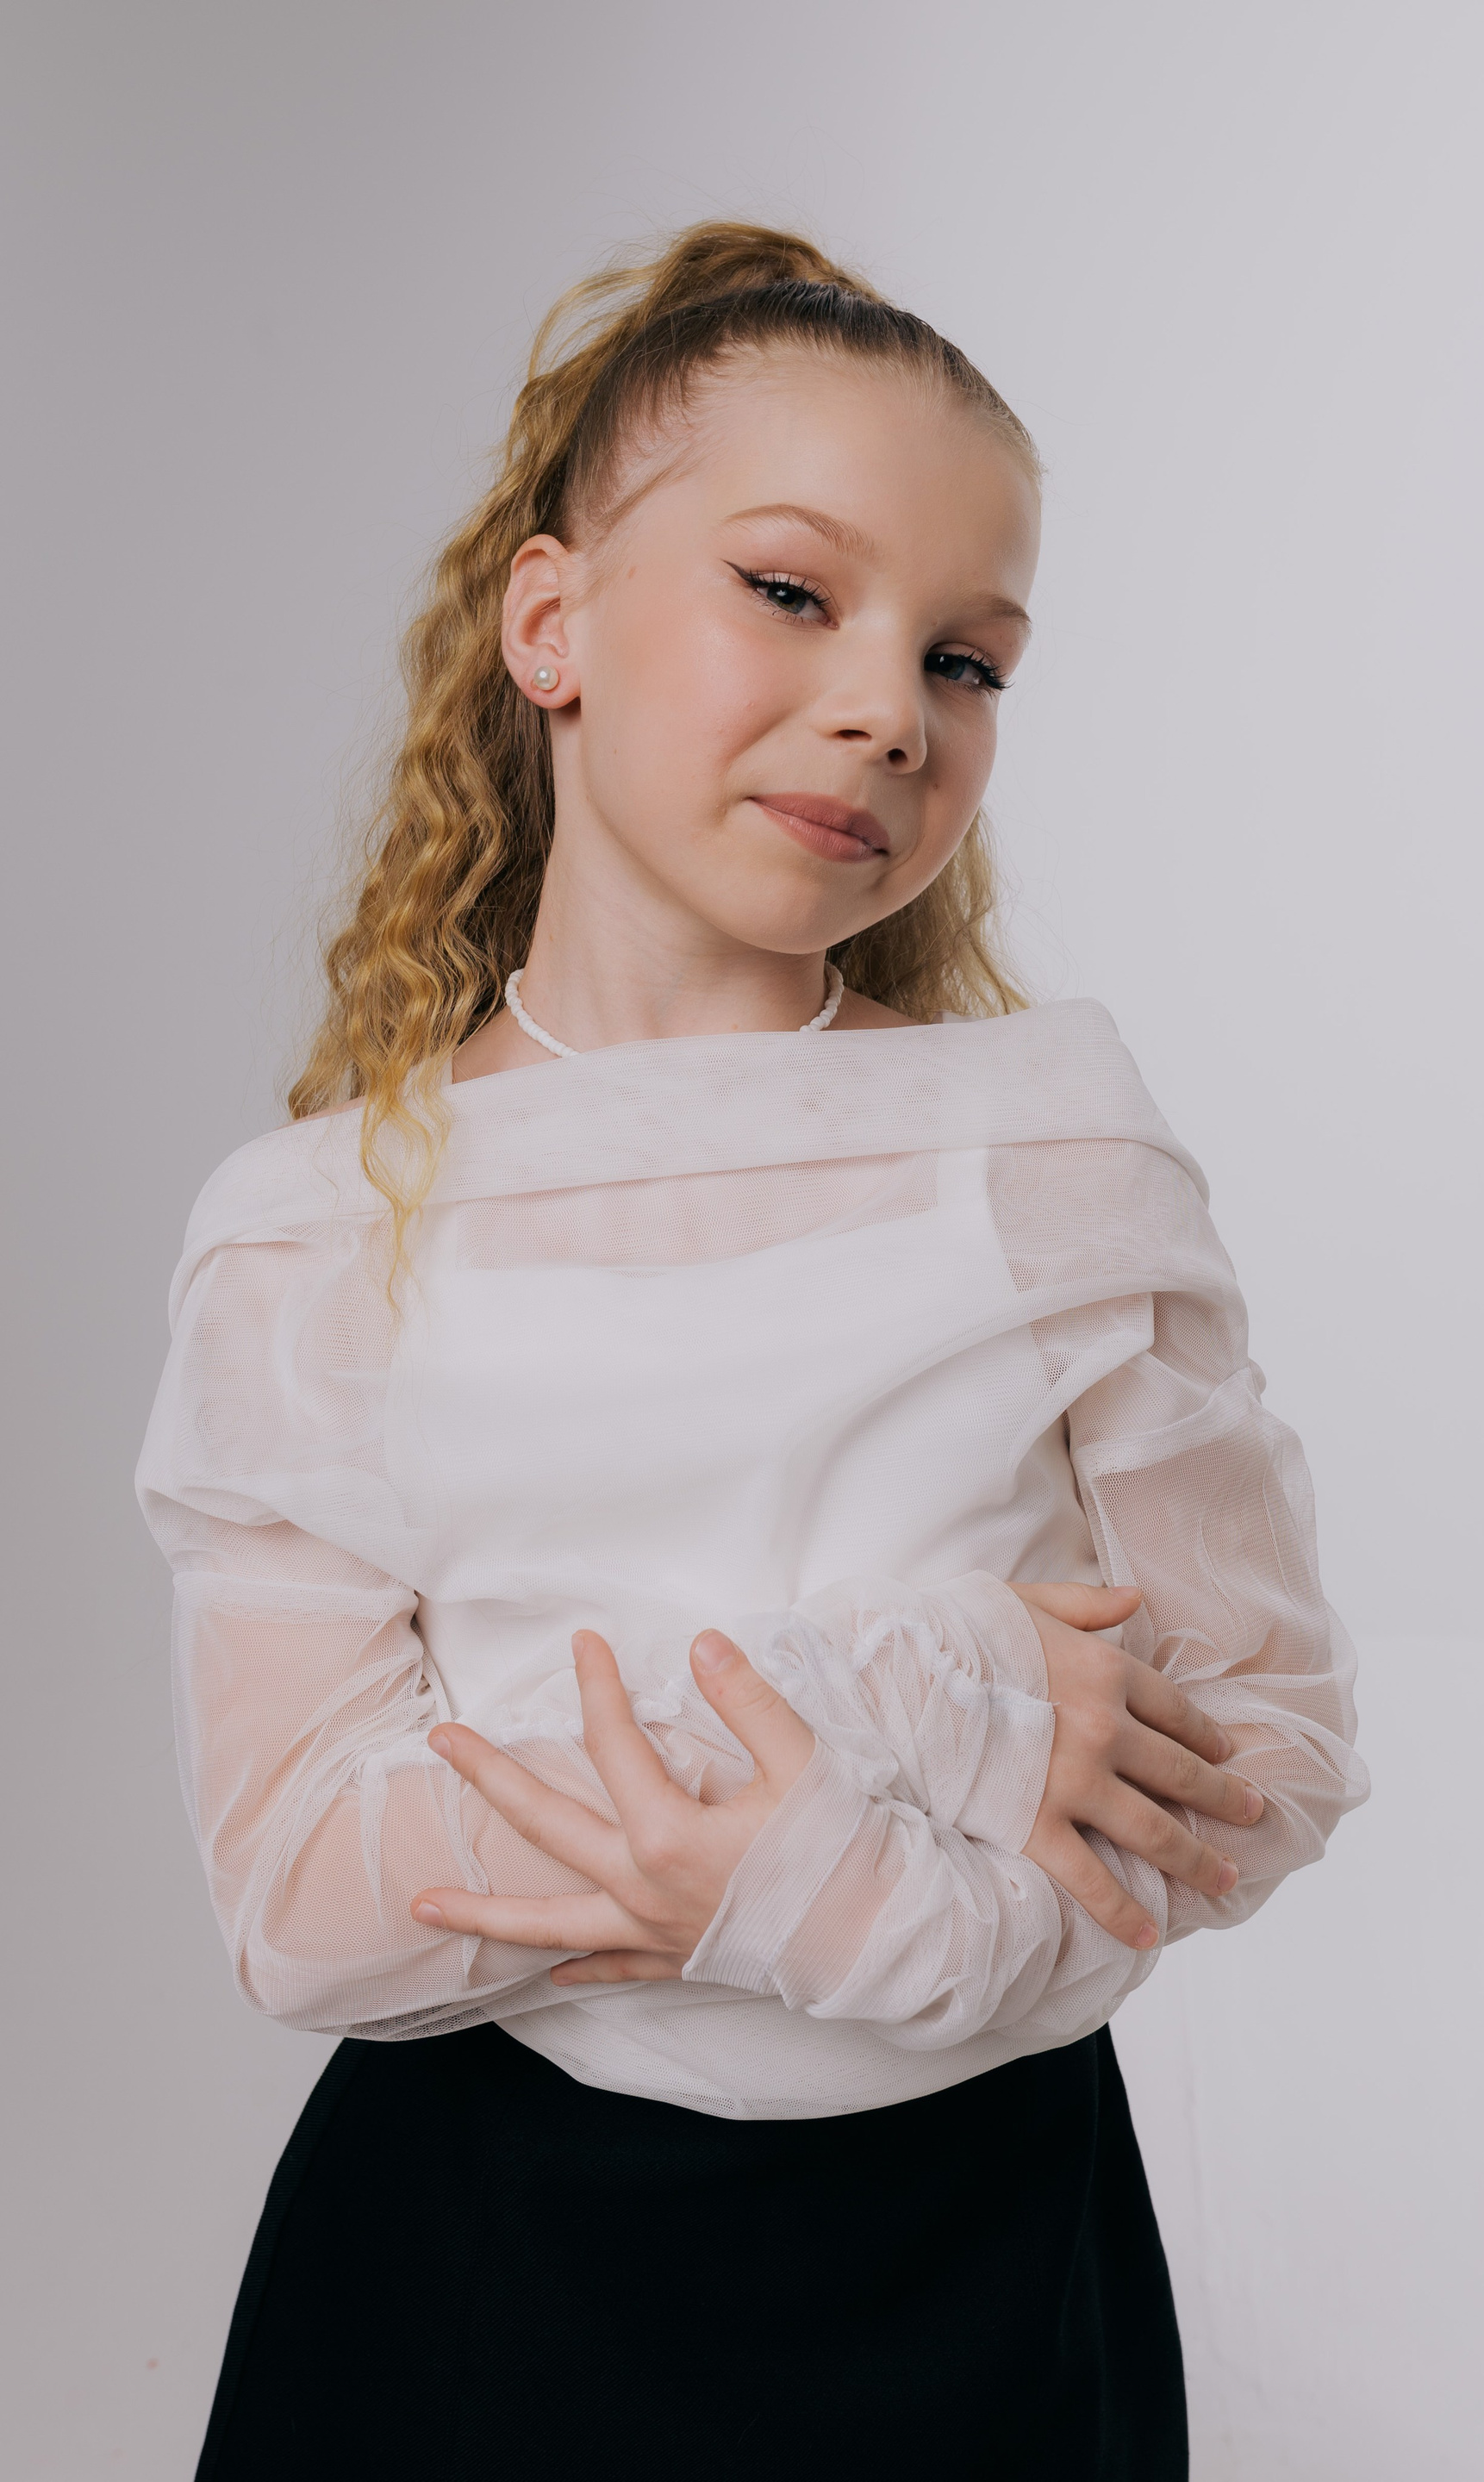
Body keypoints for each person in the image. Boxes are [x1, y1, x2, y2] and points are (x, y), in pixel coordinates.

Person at [138, 221, 1367, 2481]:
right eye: (792, 592)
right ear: (551, 624)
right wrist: (944, 1680)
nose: (893, 708)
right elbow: (306, 1898)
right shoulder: (311, 1235)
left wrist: (824, 1897)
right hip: (480, 2291)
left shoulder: (1052, 1148)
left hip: (988, 2271)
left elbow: (1263, 1753)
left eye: (967, 659)